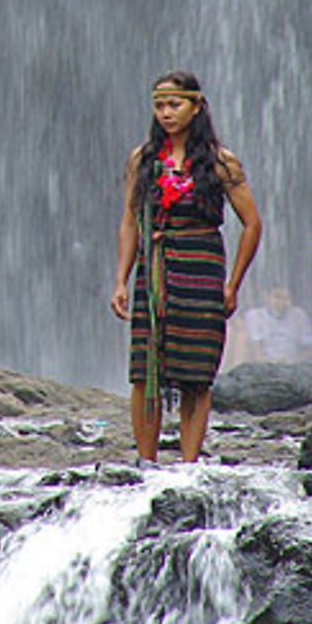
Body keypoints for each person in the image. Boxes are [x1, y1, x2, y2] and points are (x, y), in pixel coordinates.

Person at [110, 71, 262, 463]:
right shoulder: (142, 159)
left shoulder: (220, 162)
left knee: (196, 371)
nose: (166, 113)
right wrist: (120, 281)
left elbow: (252, 224)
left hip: (202, 270)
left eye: (175, 104)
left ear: (196, 107)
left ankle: (188, 468)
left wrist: (233, 285)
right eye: (159, 105)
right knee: (146, 370)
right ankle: (146, 465)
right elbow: (129, 221)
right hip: (154, 270)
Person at [240, 285, 312, 364]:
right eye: (277, 297)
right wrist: (268, 364)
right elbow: (255, 348)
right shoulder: (255, 316)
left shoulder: (299, 315)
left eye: (286, 298)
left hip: (292, 366)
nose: (281, 302)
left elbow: (310, 347)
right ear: (267, 298)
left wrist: (296, 361)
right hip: (264, 365)